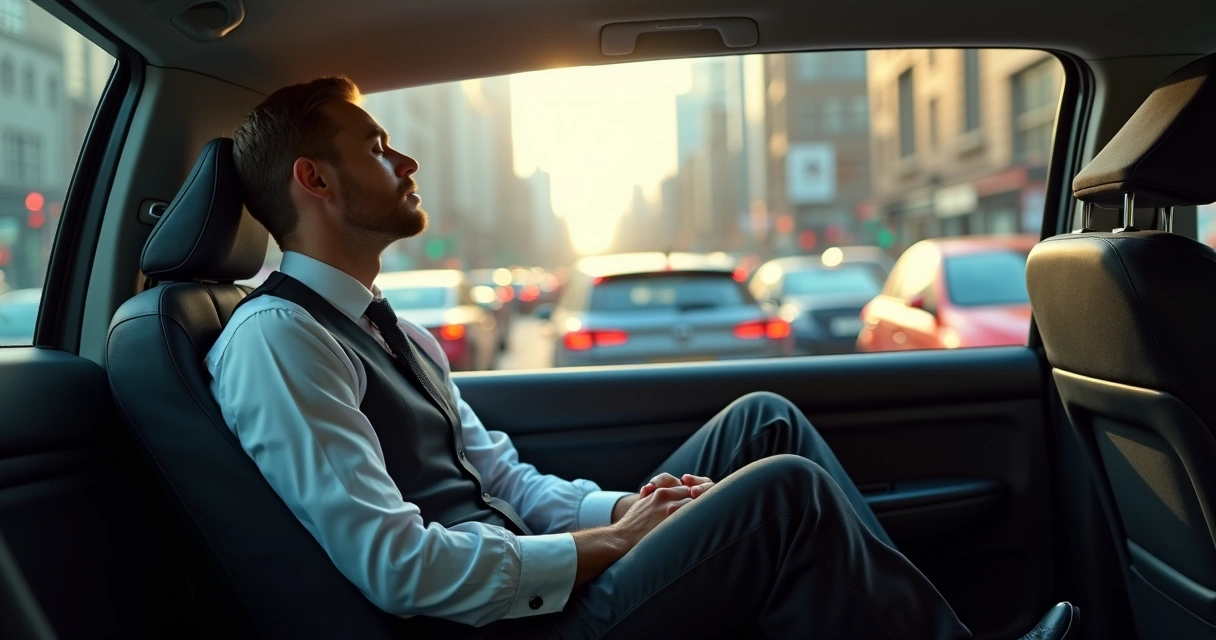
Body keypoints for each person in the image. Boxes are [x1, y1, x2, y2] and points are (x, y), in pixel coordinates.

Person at [206, 76, 1071, 639]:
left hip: (532, 585)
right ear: (315, 181)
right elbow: (398, 568)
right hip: (507, 626)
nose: (407, 158)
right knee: (785, 496)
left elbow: (504, 483)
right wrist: (607, 546)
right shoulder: (279, 341)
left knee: (762, 428)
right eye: (375, 146)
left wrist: (640, 505)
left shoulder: (395, 329)